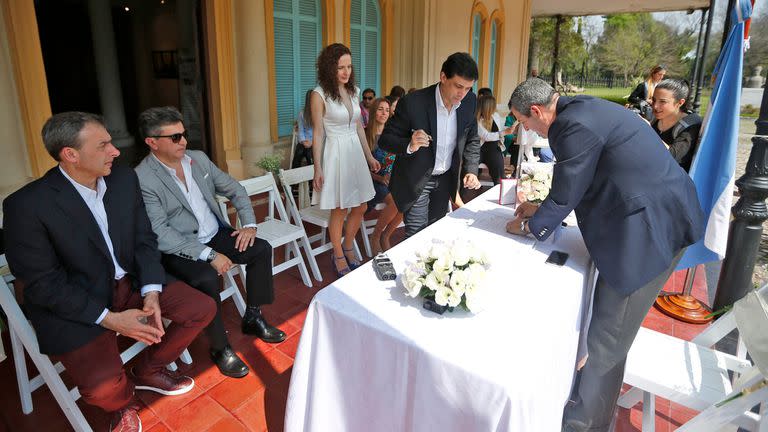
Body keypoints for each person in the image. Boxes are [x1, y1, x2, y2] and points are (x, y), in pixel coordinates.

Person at [504, 78, 704, 432]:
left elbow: (567, 192)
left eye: (524, 122)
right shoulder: (580, 108)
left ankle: (584, 425)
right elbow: (582, 179)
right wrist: (540, 209)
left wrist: (527, 228)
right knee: (611, 337)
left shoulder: (570, 126)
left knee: (606, 341)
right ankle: (593, 409)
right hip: (657, 214)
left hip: (646, 232)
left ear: (536, 111)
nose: (527, 129)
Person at [3, 112, 216, 432]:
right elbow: (43, 285)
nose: (115, 151)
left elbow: (144, 238)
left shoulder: (123, 179)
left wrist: (151, 292)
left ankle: (148, 368)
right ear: (70, 154)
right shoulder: (26, 206)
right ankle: (121, 403)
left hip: (129, 284)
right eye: (103, 145)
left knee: (202, 308)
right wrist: (110, 319)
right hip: (75, 301)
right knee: (101, 389)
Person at [135, 106, 286, 380]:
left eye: (184, 134)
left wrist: (249, 225)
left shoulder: (198, 160)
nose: (184, 141)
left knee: (260, 249)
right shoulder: (143, 178)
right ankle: (220, 347)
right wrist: (207, 254)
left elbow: (235, 189)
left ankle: (253, 315)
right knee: (206, 278)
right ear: (152, 142)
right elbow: (160, 232)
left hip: (215, 233)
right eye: (175, 137)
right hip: (180, 247)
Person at [379, 52, 482, 237]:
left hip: (445, 180)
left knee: (436, 233)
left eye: (468, 88)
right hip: (416, 179)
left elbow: (472, 139)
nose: (462, 93)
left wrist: (471, 170)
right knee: (417, 235)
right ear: (443, 77)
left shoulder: (469, 102)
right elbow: (386, 139)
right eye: (458, 86)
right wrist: (409, 144)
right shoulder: (413, 102)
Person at [310, 43, 380, 276]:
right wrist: (317, 167)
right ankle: (338, 253)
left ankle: (349, 245)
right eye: (341, 67)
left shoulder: (354, 91)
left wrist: (369, 156)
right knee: (339, 208)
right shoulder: (318, 94)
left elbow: (358, 126)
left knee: (360, 205)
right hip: (336, 153)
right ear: (330, 68)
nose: (346, 72)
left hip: (355, 153)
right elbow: (318, 133)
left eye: (349, 66)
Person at [364, 97, 403, 254]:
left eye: (387, 110)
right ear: (374, 111)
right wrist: (381, 178)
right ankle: (376, 236)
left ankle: (386, 235)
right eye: (380, 109)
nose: (384, 113)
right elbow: (359, 168)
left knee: (406, 201)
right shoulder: (366, 135)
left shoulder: (391, 134)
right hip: (371, 181)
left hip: (390, 180)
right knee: (396, 203)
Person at [651, 78, 702, 172]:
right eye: (654, 100)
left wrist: (646, 131)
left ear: (680, 102)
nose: (655, 106)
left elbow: (673, 156)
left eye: (662, 102)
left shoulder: (691, 126)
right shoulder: (654, 118)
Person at [476, 95, 514, 184]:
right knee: (469, 169)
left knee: (499, 174)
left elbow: (500, 129)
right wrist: (504, 132)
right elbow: (486, 136)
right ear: (488, 107)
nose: (495, 107)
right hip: (479, 149)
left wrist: (509, 129)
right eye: (493, 105)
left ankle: (500, 191)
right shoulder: (477, 119)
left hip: (494, 149)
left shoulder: (495, 116)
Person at [293, 89, 315, 168]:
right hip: (305, 142)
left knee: (310, 154)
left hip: (316, 141)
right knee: (299, 152)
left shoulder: (320, 113)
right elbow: (301, 131)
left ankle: (311, 178)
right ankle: (295, 176)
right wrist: (303, 141)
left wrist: (312, 142)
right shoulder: (302, 114)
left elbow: (323, 131)